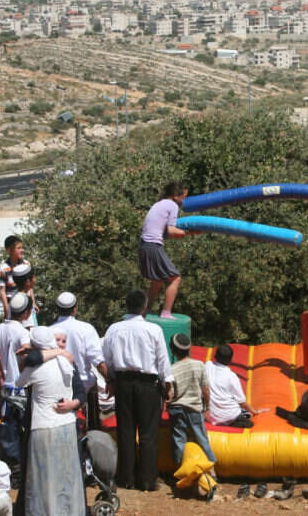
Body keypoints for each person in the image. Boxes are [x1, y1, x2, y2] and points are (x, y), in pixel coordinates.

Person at [102, 289, 174, 491]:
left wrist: (112, 380)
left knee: (125, 430)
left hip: (123, 383)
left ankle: (127, 478)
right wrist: (167, 385)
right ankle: (148, 480)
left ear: (126, 306)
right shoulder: (154, 329)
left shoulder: (114, 329)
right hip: (147, 385)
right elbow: (162, 361)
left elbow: (106, 359)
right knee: (148, 432)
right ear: (144, 307)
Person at [15, 325, 86, 516]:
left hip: (43, 427)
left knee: (43, 477)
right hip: (67, 425)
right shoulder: (66, 362)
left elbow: (18, 382)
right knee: (67, 475)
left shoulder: (36, 366)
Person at [52, 291, 108, 430]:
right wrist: (111, 381)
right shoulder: (86, 329)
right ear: (75, 308)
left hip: (58, 386)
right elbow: (98, 362)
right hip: (84, 386)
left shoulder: (49, 331)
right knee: (91, 429)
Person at [138, 181, 193, 318]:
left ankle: (147, 310)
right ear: (176, 195)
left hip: (144, 245)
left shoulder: (159, 204)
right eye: (183, 197)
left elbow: (165, 232)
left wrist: (181, 233)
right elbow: (172, 230)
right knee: (175, 278)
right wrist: (188, 233)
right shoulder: (172, 205)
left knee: (158, 280)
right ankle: (166, 312)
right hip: (153, 245)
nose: (184, 200)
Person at [167, 332, 216, 467]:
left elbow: (169, 394)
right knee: (202, 438)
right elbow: (205, 389)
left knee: (179, 440)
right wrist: (208, 407)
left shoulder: (171, 370)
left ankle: (181, 471)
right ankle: (211, 468)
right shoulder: (199, 365)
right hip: (194, 408)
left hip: (176, 409)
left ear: (173, 350)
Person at [204, 344, 268, 428]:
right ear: (230, 360)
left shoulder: (207, 366)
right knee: (249, 422)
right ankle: (235, 421)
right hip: (229, 415)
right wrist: (255, 411)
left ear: (215, 356)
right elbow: (242, 402)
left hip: (211, 416)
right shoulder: (231, 376)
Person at [0, 235, 29, 322]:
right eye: (18, 248)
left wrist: (33, 302)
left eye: (22, 248)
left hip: (26, 305)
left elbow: (30, 287)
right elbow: (2, 291)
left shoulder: (26, 264)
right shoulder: (3, 268)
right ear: (9, 250)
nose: (22, 250)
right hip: (12, 306)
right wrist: (6, 309)